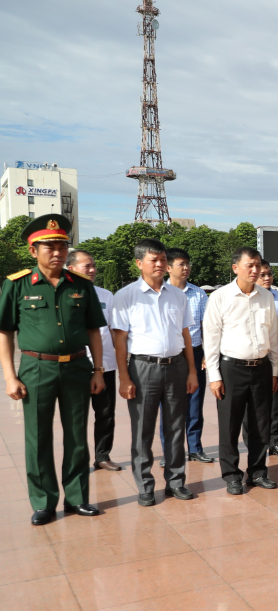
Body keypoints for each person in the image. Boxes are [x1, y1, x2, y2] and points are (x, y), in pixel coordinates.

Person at [0, 215, 107, 525]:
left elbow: (93, 331)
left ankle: (76, 498)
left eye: (62, 245)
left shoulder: (81, 286)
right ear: (34, 251)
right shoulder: (16, 284)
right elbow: (5, 332)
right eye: (49, 246)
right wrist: (10, 375)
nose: (57, 252)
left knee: (76, 436)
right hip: (35, 368)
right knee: (38, 437)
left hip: (76, 367)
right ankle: (44, 502)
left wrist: (98, 370)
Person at [110, 239, 199, 505]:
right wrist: (124, 377)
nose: (160, 264)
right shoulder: (125, 296)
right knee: (143, 430)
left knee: (175, 427)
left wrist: (192, 371)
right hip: (142, 369)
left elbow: (186, 335)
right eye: (154, 260)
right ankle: (145, 485)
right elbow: (120, 340)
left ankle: (175, 481)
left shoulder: (178, 295)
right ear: (140, 263)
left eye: (162, 259)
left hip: (176, 367)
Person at [205, 246, 278, 495]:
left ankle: (258, 472)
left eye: (258, 265)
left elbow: (273, 337)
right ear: (235, 267)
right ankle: (232, 475)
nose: (255, 270)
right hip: (231, 368)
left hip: (261, 368)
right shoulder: (220, 297)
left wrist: (274, 371)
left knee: (261, 423)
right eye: (250, 265)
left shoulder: (266, 297)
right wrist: (214, 376)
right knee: (230, 425)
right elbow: (211, 338)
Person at [66, 249, 121, 471]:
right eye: (86, 266)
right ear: (71, 269)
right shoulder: (63, 294)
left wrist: (122, 361)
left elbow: (113, 329)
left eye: (93, 266)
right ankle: (77, 460)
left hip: (105, 364)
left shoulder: (106, 295)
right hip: (76, 365)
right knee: (76, 416)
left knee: (106, 413)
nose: (92, 270)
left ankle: (102, 455)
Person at [164, 248, 213, 463]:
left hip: (194, 352)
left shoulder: (198, 293)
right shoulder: (160, 292)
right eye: (181, 264)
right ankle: (170, 452)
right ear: (168, 267)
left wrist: (206, 353)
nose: (186, 268)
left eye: (187, 263)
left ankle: (195, 448)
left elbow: (206, 325)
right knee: (169, 406)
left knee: (195, 403)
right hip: (170, 355)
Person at [248, 260, 278, 458]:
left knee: (276, 402)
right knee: (255, 404)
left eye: (269, 274)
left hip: (276, 355)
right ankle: (258, 444)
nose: (267, 278)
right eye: (262, 274)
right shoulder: (249, 297)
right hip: (254, 356)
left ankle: (275, 441)